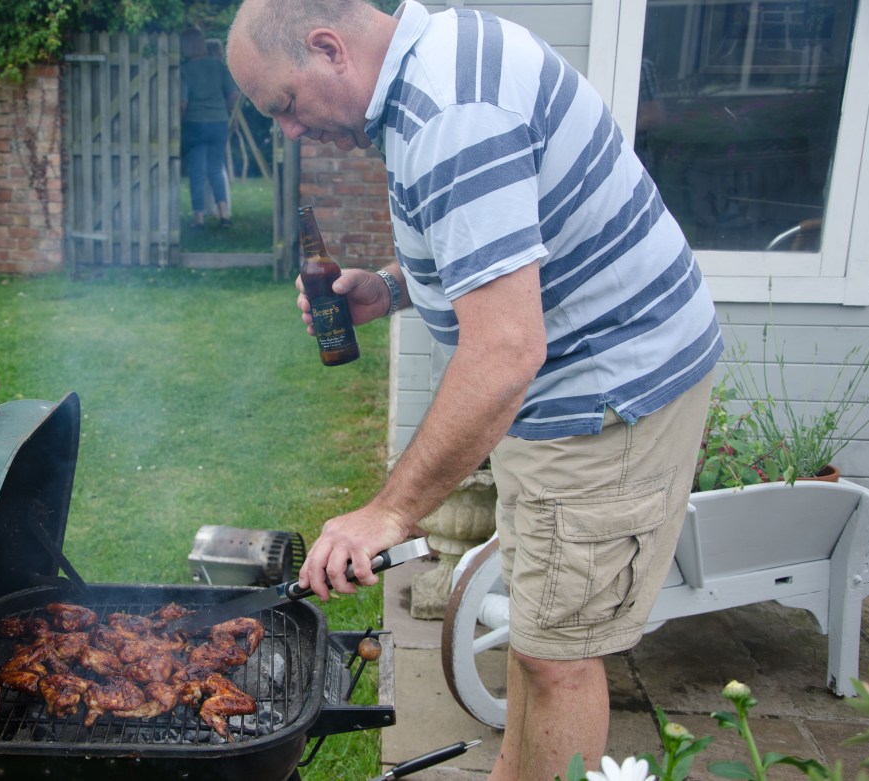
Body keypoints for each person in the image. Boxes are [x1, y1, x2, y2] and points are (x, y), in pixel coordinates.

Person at [226, 2, 722, 779]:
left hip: (606, 399)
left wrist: (385, 513)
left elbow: (504, 352)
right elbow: (497, 239)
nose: (288, 131)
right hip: (562, 393)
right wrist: (390, 288)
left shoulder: (453, 114)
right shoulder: (433, 66)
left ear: (329, 50)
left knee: (560, 658)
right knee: (537, 633)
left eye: (283, 106)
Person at [180, 27, 239, 229]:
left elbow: (182, 103)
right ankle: (224, 216)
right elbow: (233, 94)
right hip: (218, 123)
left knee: (197, 171)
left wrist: (178, 122)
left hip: (194, 124)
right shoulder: (218, 66)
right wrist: (224, 110)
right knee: (215, 168)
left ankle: (199, 219)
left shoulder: (185, 70)